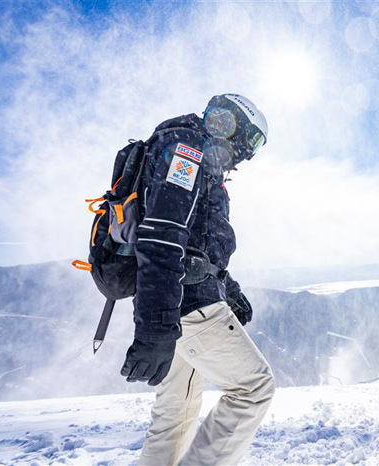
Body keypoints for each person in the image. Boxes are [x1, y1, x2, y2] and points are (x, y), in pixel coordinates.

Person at [118, 94, 275, 466]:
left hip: (173, 301)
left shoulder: (188, 153)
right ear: (228, 124)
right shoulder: (186, 152)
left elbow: (194, 241)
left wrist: (227, 287)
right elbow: (162, 234)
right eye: (250, 141)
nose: (248, 155)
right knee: (253, 389)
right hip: (185, 304)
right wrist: (156, 329)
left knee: (178, 408)